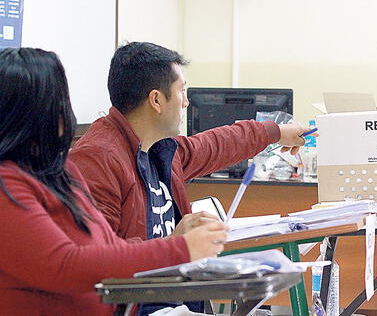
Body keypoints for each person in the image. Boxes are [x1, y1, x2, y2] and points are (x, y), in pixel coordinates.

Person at [69, 42, 312, 313]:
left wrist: (277, 132)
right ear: (156, 100)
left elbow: (216, 144)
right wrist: (174, 243)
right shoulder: (97, 159)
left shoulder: (159, 147)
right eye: (182, 90)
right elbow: (97, 261)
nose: (186, 101)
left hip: (176, 300)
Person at [0, 48, 228, 315]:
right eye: (60, 103)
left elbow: (108, 249)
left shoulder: (59, 174)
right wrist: (179, 248)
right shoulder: (8, 186)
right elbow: (65, 265)